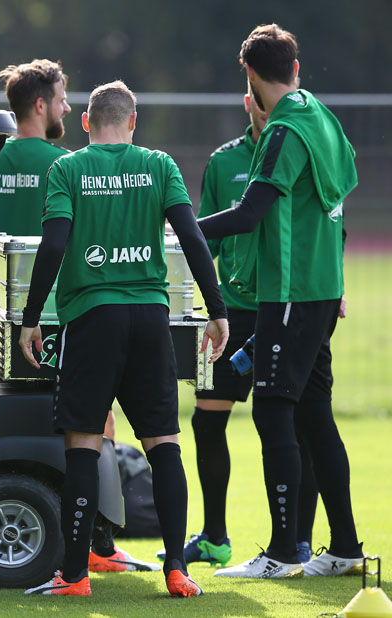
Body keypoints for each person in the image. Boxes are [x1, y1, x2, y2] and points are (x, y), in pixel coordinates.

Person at [19, 81, 229, 598]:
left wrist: (31, 316)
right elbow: (192, 237)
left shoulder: (68, 168)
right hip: (151, 321)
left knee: (84, 445)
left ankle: (74, 576)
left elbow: (54, 244)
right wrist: (217, 310)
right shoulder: (160, 166)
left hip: (93, 320)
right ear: (133, 121)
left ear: (86, 123)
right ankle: (177, 569)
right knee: (164, 444)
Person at [199, 24, 363, 579]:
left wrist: (180, 229)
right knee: (315, 416)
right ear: (295, 68)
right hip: (322, 291)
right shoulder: (322, 116)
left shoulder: (284, 131)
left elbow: (249, 215)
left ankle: (284, 552)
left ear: (249, 74)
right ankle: (345, 549)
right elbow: (339, 193)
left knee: (274, 413)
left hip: (289, 295)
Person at [0, 59, 158, 574]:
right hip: (61, 315)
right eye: (62, 99)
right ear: (42, 105)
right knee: (96, 422)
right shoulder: (63, 164)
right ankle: (98, 545)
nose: (66, 108)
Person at [156, 90, 321, 568]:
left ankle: (298, 540)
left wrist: (335, 288)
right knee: (207, 420)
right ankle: (214, 537)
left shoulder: (299, 148)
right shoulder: (223, 160)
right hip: (233, 311)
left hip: (287, 307)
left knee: (294, 423)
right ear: (249, 100)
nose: (267, 108)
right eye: (259, 101)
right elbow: (202, 239)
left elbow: (325, 224)